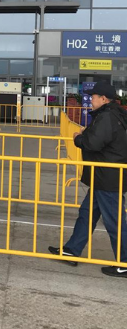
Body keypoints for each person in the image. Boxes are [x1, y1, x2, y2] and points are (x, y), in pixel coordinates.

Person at [49, 81, 127, 278]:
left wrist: (78, 137)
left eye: (93, 97)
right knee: (87, 213)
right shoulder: (112, 114)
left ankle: (125, 262)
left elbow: (93, 143)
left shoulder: (107, 117)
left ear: (103, 99)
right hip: (102, 177)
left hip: (108, 179)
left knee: (115, 222)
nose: (90, 100)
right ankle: (72, 250)